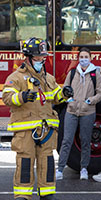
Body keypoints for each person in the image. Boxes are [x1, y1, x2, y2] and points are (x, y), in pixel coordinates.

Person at [3, 37, 72, 200]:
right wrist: (22, 96)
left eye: (43, 57)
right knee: (25, 163)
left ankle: (47, 194)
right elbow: (7, 97)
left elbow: (55, 96)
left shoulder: (48, 78)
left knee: (47, 164)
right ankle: (22, 196)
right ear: (27, 58)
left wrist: (63, 94)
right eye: (37, 58)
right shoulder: (16, 77)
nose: (41, 60)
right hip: (26, 131)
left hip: (47, 131)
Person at [56, 47, 101, 180]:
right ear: (78, 58)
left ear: (90, 58)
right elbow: (65, 90)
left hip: (88, 112)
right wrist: (69, 100)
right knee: (66, 140)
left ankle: (84, 169)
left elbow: (100, 93)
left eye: (86, 57)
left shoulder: (96, 74)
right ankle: (60, 169)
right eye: (81, 57)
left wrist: (91, 101)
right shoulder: (72, 73)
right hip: (71, 111)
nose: (83, 60)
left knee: (85, 141)